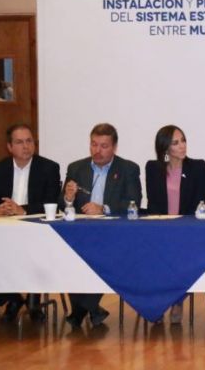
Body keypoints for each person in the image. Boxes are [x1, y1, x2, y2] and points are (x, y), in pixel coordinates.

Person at [60, 123, 142, 328]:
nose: (97, 150)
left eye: (104, 146)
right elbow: (63, 204)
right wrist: (68, 198)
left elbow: (134, 202)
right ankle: (92, 309)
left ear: (114, 147)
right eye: (94, 144)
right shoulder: (76, 168)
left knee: (100, 255)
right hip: (80, 233)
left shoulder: (128, 169)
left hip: (113, 234)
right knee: (69, 254)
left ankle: (80, 310)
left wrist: (104, 208)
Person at [0, 123, 61, 322]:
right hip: (3, 233)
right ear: (9, 147)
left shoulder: (49, 168)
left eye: (29, 141)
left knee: (36, 251)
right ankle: (12, 298)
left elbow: (52, 203)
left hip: (36, 231)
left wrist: (21, 210)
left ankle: (34, 302)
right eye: (20, 142)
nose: (26, 146)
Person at [145, 125, 205, 323]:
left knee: (179, 252)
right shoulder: (153, 168)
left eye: (183, 140)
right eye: (175, 142)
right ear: (165, 148)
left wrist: (180, 227)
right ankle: (157, 301)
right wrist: (165, 228)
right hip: (162, 229)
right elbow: (154, 204)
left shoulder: (197, 167)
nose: (182, 146)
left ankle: (177, 301)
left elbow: (200, 202)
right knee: (152, 251)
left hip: (187, 230)